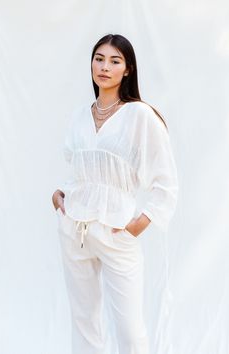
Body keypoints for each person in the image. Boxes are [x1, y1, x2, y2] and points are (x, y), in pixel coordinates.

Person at [52, 33, 178, 354]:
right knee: (84, 323)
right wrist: (62, 197)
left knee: (130, 331)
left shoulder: (140, 116)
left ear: (128, 69)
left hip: (116, 231)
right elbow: (83, 170)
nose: (104, 67)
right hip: (74, 229)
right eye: (99, 58)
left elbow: (166, 183)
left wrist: (138, 224)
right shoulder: (81, 115)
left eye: (114, 60)